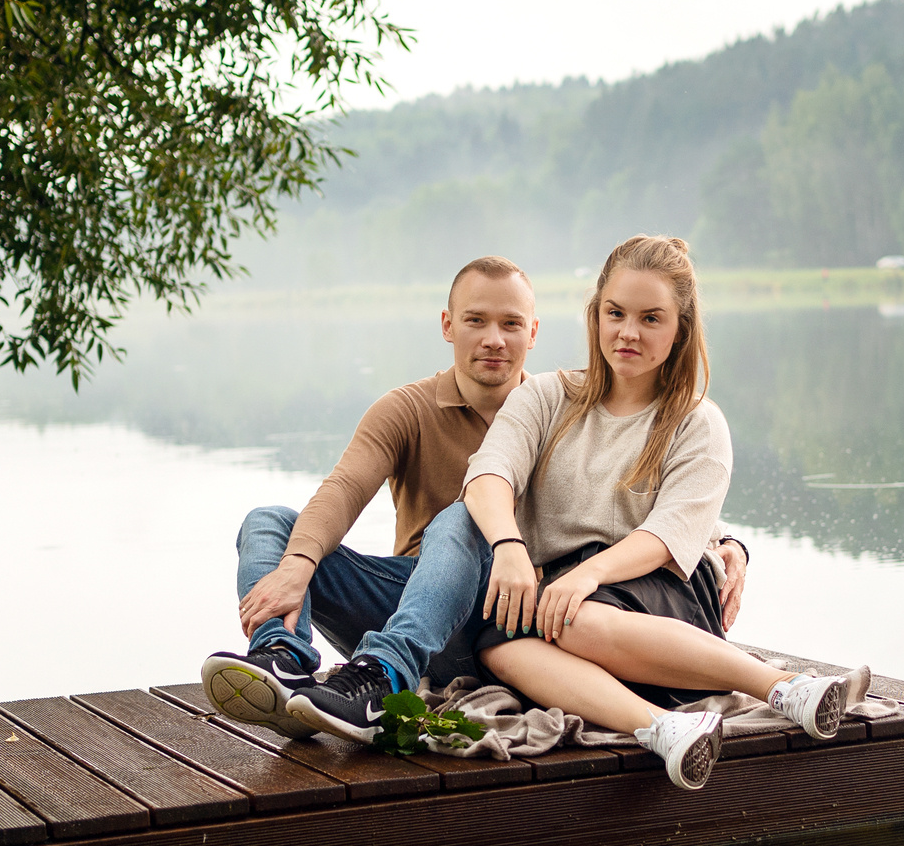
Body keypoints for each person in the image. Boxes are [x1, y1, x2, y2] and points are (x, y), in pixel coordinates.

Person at [200, 255, 753, 741]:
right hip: (408, 607)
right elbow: (343, 489)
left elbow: (632, 495)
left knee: (462, 517)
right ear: (449, 326)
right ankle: (283, 661)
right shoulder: (407, 409)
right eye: (476, 321)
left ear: (532, 332)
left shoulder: (552, 408)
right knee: (268, 521)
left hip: (502, 616)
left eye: (511, 324)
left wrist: (724, 541)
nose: (494, 339)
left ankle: (383, 675)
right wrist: (300, 563)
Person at [460, 234, 868, 788]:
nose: (628, 332)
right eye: (615, 313)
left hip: (664, 586)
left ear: (680, 328)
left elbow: (668, 534)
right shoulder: (546, 396)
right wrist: (508, 545)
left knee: (567, 617)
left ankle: (782, 686)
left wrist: (589, 574)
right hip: (572, 601)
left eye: (651, 318)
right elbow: (488, 474)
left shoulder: (697, 422)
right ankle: (661, 728)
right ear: (595, 314)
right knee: (499, 646)